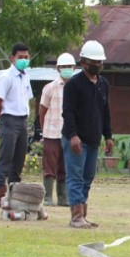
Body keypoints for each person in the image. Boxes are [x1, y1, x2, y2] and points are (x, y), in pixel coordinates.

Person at [61, 40, 113, 229]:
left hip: (93, 139)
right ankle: (76, 217)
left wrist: (108, 136)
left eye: (100, 62)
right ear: (83, 62)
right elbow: (68, 112)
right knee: (75, 176)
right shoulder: (73, 85)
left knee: (88, 177)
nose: (98, 65)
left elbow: (105, 112)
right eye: (94, 62)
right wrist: (73, 136)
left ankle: (83, 214)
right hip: (75, 139)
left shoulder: (103, 84)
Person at [0, 42, 34, 207]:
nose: (24, 60)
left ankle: (14, 195)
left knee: (19, 159)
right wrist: (2, 118)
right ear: (12, 58)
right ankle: (0, 196)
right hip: (9, 119)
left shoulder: (26, 76)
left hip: (22, 120)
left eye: (26, 57)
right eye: (20, 57)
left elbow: (27, 99)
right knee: (5, 158)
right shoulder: (6, 77)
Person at [39, 53, 76, 206]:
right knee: (49, 166)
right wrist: (44, 131)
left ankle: (63, 198)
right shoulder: (50, 87)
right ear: (58, 68)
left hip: (68, 133)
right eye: (64, 67)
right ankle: (47, 197)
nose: (67, 69)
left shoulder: (76, 87)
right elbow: (42, 111)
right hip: (51, 133)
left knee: (65, 167)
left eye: (70, 66)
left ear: (74, 68)